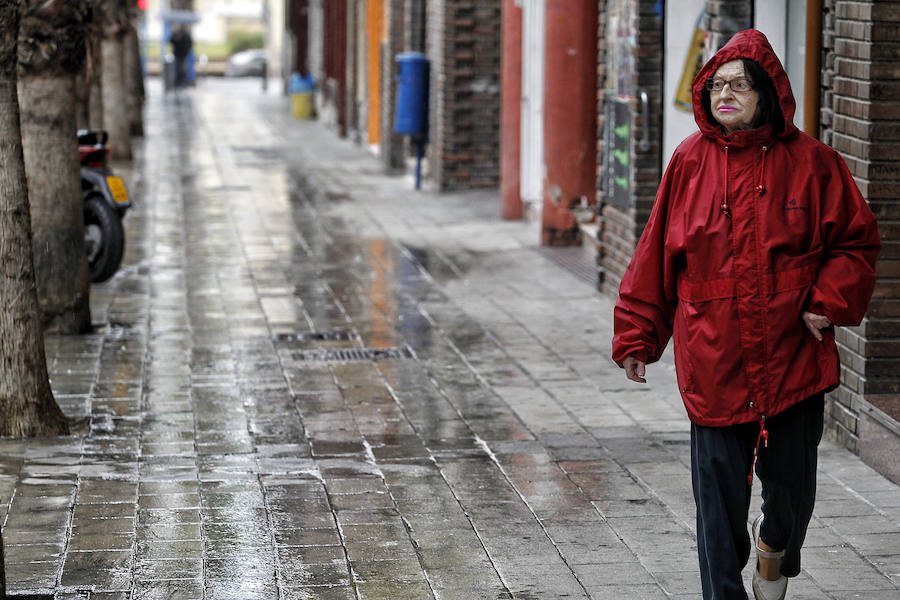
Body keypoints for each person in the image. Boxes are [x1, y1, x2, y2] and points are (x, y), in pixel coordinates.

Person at [612, 29, 880, 600]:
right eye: (717, 85)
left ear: (768, 94)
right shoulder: (688, 161)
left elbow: (855, 244)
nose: (725, 94)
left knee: (790, 492)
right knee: (716, 501)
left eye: (740, 84)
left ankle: (774, 547)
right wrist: (638, 334)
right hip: (714, 356)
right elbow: (657, 253)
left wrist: (828, 302)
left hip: (792, 356)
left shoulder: (814, 163)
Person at [170, 25, 193, 89]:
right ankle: (177, 83)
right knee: (177, 69)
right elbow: (171, 41)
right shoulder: (176, 34)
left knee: (183, 69)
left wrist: (186, 51)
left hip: (183, 55)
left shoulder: (186, 36)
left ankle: (183, 83)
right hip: (177, 55)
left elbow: (189, 44)